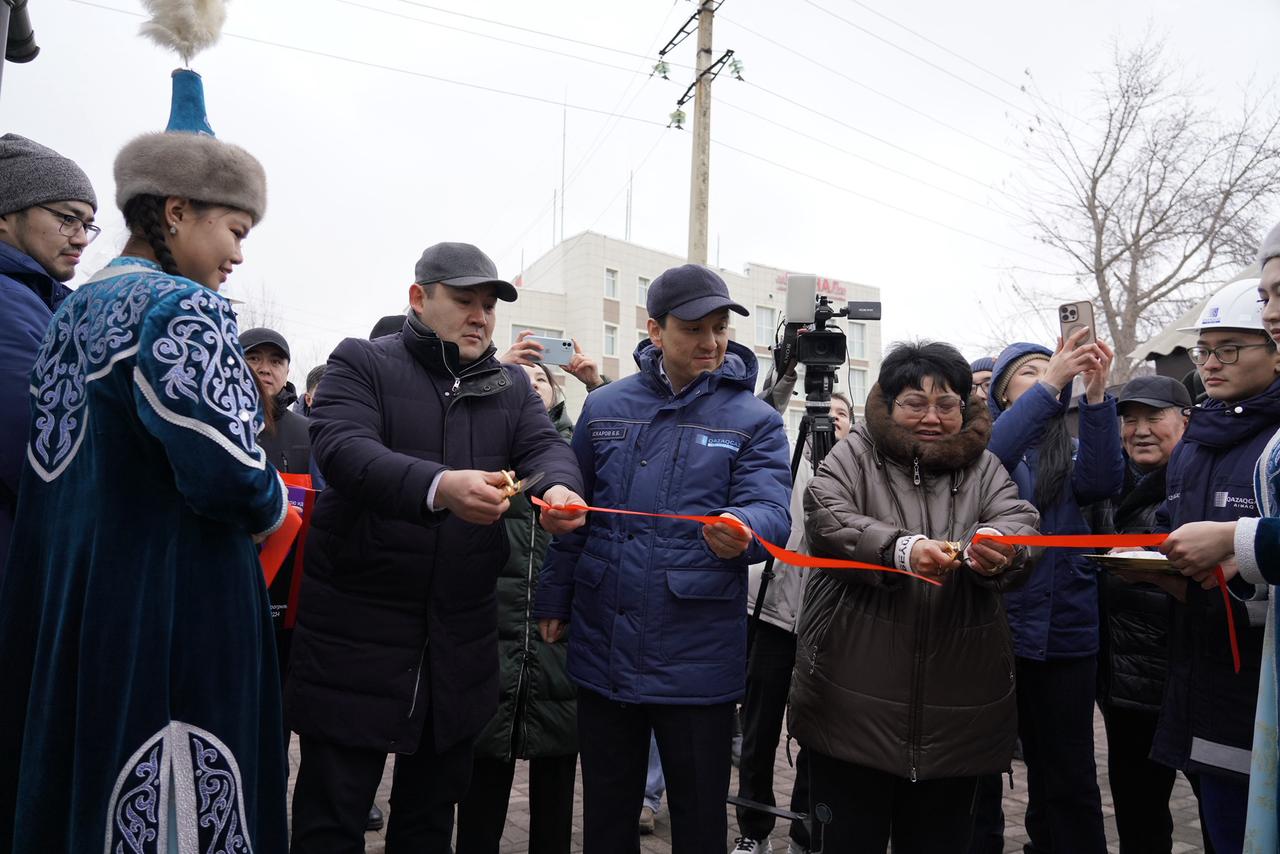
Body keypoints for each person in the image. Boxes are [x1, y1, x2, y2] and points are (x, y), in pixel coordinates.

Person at [0, 78, 289, 850]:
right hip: (174, 610)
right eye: (234, 228)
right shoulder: (182, 308)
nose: (237, 253)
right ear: (174, 211)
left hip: (79, 609)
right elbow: (231, 472)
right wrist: (277, 508)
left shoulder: (72, 311)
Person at [286, 241, 587, 854]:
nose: (480, 317)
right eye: (464, 301)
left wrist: (558, 490)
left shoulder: (507, 388)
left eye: (489, 306)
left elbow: (546, 449)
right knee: (332, 814)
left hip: (458, 637)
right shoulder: (363, 362)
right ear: (419, 298)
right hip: (357, 631)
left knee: (428, 819)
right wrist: (438, 486)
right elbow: (343, 450)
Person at [535, 263, 791, 853]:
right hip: (606, 636)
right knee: (606, 811)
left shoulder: (754, 420)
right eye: (693, 328)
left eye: (720, 327)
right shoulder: (605, 408)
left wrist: (744, 528)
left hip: (695, 648)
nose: (710, 342)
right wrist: (555, 595)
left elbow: (769, 507)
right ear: (655, 330)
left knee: (700, 819)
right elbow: (577, 509)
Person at [787, 341, 1039, 853]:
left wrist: (1002, 549)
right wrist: (900, 550)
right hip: (850, 699)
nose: (931, 417)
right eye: (914, 403)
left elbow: (1019, 521)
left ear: (965, 406)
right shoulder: (855, 452)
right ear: (889, 403)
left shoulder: (985, 468)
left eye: (946, 404)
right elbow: (826, 517)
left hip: (958, 703)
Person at [1144, 275, 1278, 853]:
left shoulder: (1274, 445)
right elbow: (1174, 530)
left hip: (1261, 681)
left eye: (1230, 349)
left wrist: (1238, 567)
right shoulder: (1196, 442)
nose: (1211, 363)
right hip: (1197, 671)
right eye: (1205, 351)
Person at [455, 352, 602, 854]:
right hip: (490, 634)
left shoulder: (574, 457)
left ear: (558, 394)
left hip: (558, 640)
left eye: (541, 379)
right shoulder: (480, 450)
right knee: (483, 779)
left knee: (557, 784)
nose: (532, 385)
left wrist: (593, 379)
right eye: (521, 379)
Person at [986, 330, 1123, 854]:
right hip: (1001, 632)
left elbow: (1105, 480)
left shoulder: (1072, 447)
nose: (1051, 368)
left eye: (1053, 362)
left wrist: (1094, 393)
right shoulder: (989, 442)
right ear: (1002, 392)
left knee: (1068, 773)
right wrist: (1054, 380)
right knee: (980, 769)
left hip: (1067, 632)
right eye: (1031, 369)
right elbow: (992, 456)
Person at [734, 392, 853, 854]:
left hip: (831, 626)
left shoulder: (860, 470)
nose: (834, 420)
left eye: (843, 414)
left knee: (818, 734)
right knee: (760, 729)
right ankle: (753, 829)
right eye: (827, 413)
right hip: (773, 615)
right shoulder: (784, 459)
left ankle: (806, 833)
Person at [1094, 375, 1192, 854]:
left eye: (1154, 417)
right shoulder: (1107, 486)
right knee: (1139, 816)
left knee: (1221, 816)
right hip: (1127, 685)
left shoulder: (1202, 482)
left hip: (1191, 677)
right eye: (1129, 420)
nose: (1140, 430)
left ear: (1185, 421)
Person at [0, 133, 97, 583]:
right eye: (67, 219)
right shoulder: (8, 303)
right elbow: (45, 455)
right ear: (6, 215)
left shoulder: (38, 302)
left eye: (87, 225)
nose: (80, 238)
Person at [241, 326, 312, 473]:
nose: (265, 369)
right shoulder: (209, 425)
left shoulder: (308, 434)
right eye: (254, 359)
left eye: (276, 362)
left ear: (287, 373)